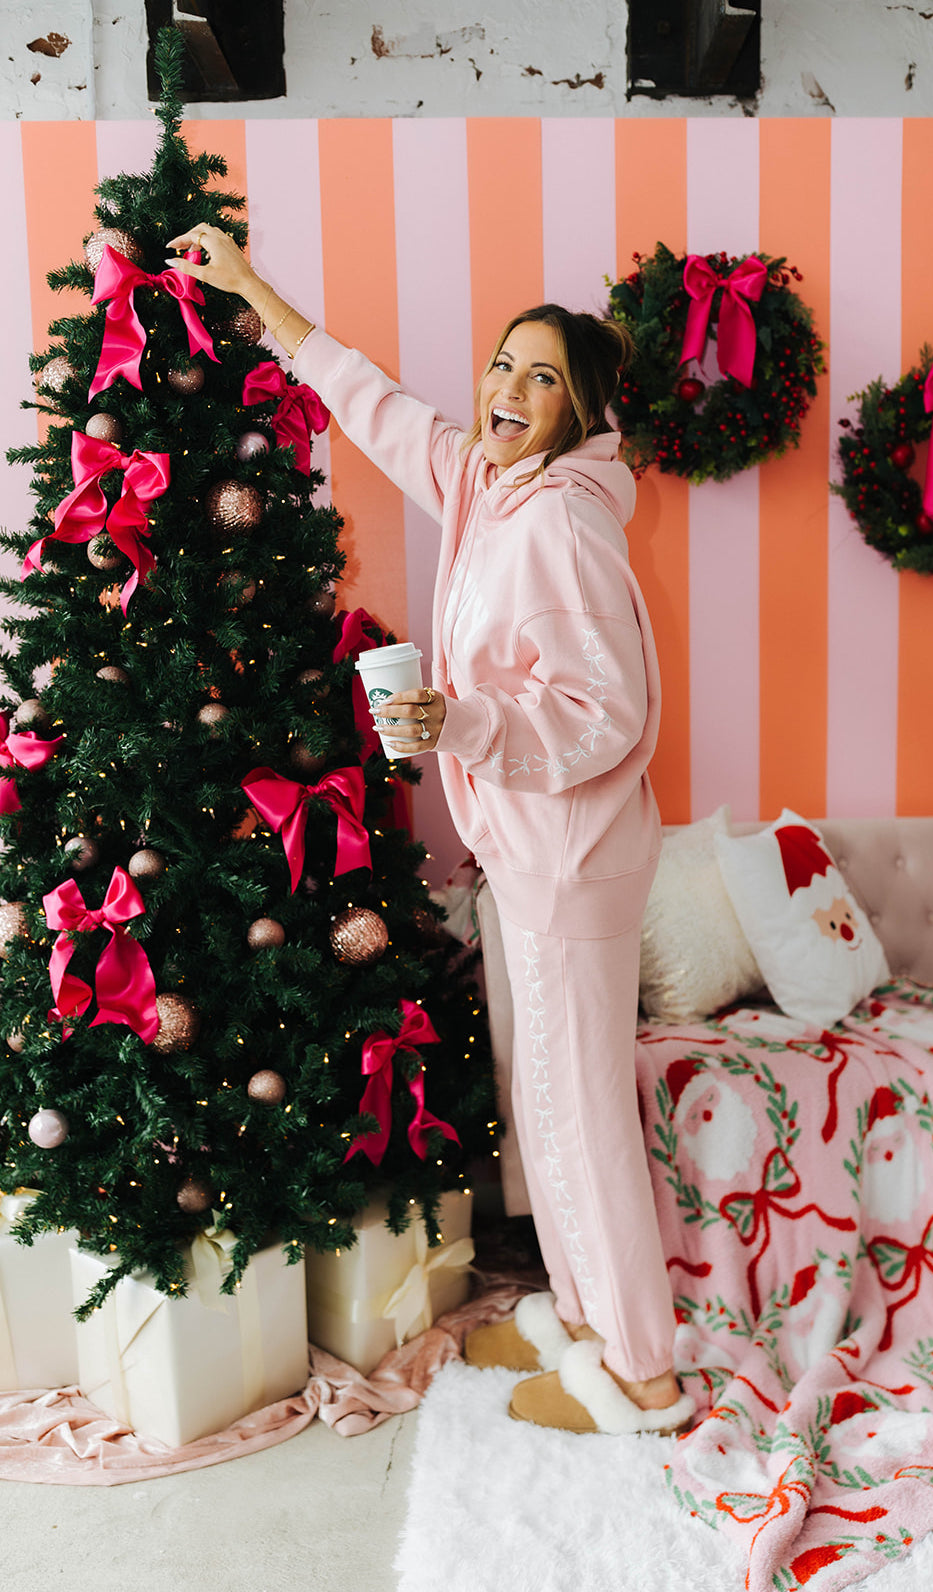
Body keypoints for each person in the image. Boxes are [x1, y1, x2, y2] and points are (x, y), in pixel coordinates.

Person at [166, 224, 694, 1436]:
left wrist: (456, 719)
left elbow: (600, 713)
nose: (507, 388)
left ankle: (642, 1373)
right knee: (540, 1090)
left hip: (571, 857)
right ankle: (582, 1316)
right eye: (503, 364)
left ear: (584, 411)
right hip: (529, 851)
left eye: (541, 376)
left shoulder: (560, 521)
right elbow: (377, 403)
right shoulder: (490, 486)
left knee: (576, 1109)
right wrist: (251, 289)